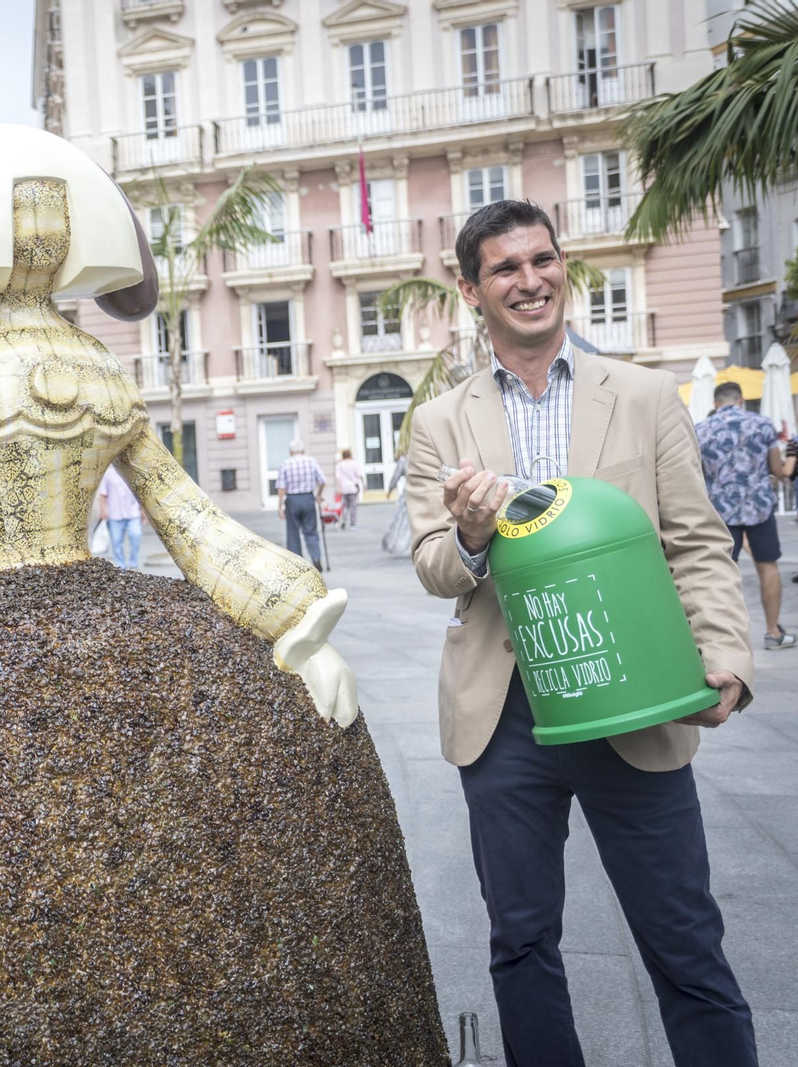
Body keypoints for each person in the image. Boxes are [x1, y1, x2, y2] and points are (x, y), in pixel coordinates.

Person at [407, 199, 757, 1067]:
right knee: (521, 944)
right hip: (507, 719)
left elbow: (699, 542)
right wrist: (471, 535)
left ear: (562, 266)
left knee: (684, 944)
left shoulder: (640, 395)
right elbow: (432, 567)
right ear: (471, 290)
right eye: (505, 268)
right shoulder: (439, 422)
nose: (531, 281)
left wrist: (724, 663)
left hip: (632, 698)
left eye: (542, 259)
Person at [697, 382, 790, 647]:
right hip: (758, 507)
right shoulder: (762, 424)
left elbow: (698, 472)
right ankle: (773, 633)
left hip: (721, 511)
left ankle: (726, 639)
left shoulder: (701, 430)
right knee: (767, 566)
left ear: (716, 404)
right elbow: (777, 469)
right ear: (740, 400)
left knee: (721, 572)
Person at [276, 439, 326, 569]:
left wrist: (280, 506)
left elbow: (281, 487)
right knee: (311, 531)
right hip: (308, 498)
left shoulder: (286, 464)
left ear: (290, 451)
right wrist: (319, 495)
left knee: (293, 533)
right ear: (303, 450)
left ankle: (297, 564)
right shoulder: (311, 461)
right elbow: (322, 480)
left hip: (292, 500)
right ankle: (316, 557)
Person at [97, 462, 143, 568]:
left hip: (133, 512)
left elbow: (140, 494)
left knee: (136, 535)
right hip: (115, 514)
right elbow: (103, 494)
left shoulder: (132, 473)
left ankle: (133, 565)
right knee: (116, 541)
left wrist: (143, 513)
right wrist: (103, 510)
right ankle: (121, 566)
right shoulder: (108, 474)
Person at [335, 448, 363, 529]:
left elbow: (338, 478)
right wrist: (363, 484)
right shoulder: (354, 463)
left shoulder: (339, 465)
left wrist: (339, 488)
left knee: (345, 506)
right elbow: (359, 475)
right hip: (352, 487)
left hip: (344, 488)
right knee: (353, 506)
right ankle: (353, 524)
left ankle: (344, 521)